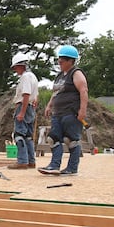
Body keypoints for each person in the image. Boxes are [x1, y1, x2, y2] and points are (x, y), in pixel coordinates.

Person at [38, 45, 88, 176]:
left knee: (71, 140)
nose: (59, 63)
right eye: (58, 61)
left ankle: (72, 168)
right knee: (53, 139)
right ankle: (54, 166)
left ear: (70, 61)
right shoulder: (60, 76)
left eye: (62, 61)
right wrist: (49, 105)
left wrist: (82, 111)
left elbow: (83, 91)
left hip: (71, 112)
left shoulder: (76, 73)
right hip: (58, 113)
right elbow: (56, 93)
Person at [6, 53, 39, 169]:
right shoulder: (33, 76)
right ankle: (31, 161)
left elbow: (26, 94)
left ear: (22, 65)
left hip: (24, 106)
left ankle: (22, 161)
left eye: (16, 67)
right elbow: (35, 97)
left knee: (19, 135)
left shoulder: (25, 77)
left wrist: (22, 112)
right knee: (28, 136)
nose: (15, 70)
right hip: (30, 108)